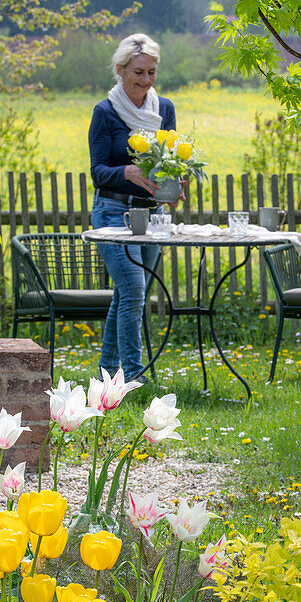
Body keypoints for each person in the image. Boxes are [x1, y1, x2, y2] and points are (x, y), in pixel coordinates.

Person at [89, 33, 176, 383]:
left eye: (152, 72)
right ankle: (134, 377)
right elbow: (97, 172)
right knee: (135, 290)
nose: (145, 80)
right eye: (139, 72)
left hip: (153, 216)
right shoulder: (105, 113)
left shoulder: (164, 109)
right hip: (113, 213)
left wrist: (175, 183)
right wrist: (125, 171)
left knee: (127, 293)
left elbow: (170, 160)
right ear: (121, 70)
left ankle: (108, 373)